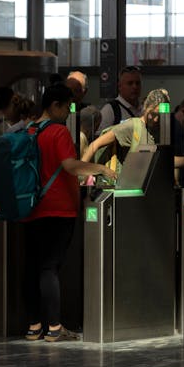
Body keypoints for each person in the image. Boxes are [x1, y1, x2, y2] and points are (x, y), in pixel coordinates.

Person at [23, 84, 114, 342]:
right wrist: (100, 169)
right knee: (50, 267)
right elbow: (70, 166)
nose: (67, 113)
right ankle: (54, 328)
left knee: (33, 267)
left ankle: (34, 326)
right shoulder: (58, 132)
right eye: (66, 107)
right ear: (55, 106)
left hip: (31, 207)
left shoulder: (30, 130)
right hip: (58, 208)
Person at [82, 89, 184, 175]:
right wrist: (80, 176)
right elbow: (94, 145)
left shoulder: (156, 133)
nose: (156, 119)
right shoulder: (132, 125)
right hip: (123, 187)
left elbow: (165, 161)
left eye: (160, 116)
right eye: (153, 114)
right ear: (145, 107)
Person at [96, 66, 142, 134]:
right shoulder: (110, 110)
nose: (135, 87)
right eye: (130, 83)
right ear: (119, 86)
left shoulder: (144, 109)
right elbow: (99, 138)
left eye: (137, 83)